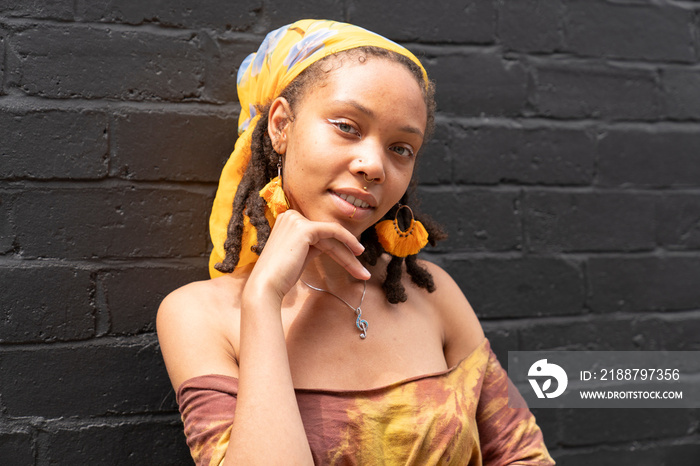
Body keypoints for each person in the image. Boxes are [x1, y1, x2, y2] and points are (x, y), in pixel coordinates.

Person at [157, 19, 555, 466]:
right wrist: (264, 299)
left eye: (401, 148)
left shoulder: (432, 293)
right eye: (347, 126)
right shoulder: (198, 315)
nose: (374, 165)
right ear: (281, 126)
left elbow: (523, 456)